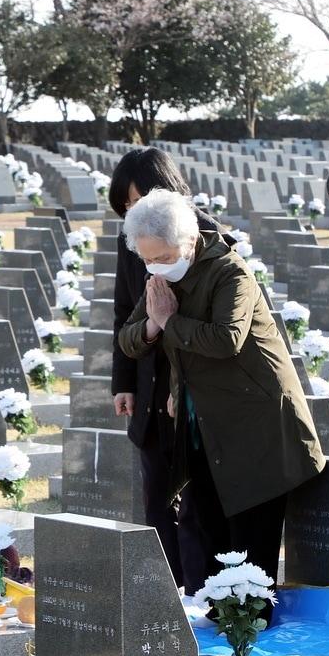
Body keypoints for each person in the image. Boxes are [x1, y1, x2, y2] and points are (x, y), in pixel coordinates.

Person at [117, 189, 324, 610]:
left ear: (190, 241)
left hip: (257, 420)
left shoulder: (231, 273)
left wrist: (168, 322)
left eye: (163, 255)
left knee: (249, 529)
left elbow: (227, 340)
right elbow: (129, 338)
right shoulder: (160, 280)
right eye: (147, 259)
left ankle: (249, 627)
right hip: (205, 421)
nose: (155, 266)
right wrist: (155, 328)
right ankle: (213, 618)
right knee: (201, 519)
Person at [107, 147, 222, 591]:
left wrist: (185, 384)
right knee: (156, 491)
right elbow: (123, 312)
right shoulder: (129, 240)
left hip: (190, 381)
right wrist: (123, 381)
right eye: (125, 208)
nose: (132, 214)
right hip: (147, 377)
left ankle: (199, 591)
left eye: (136, 202)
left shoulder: (204, 233)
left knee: (195, 498)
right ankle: (164, 590)